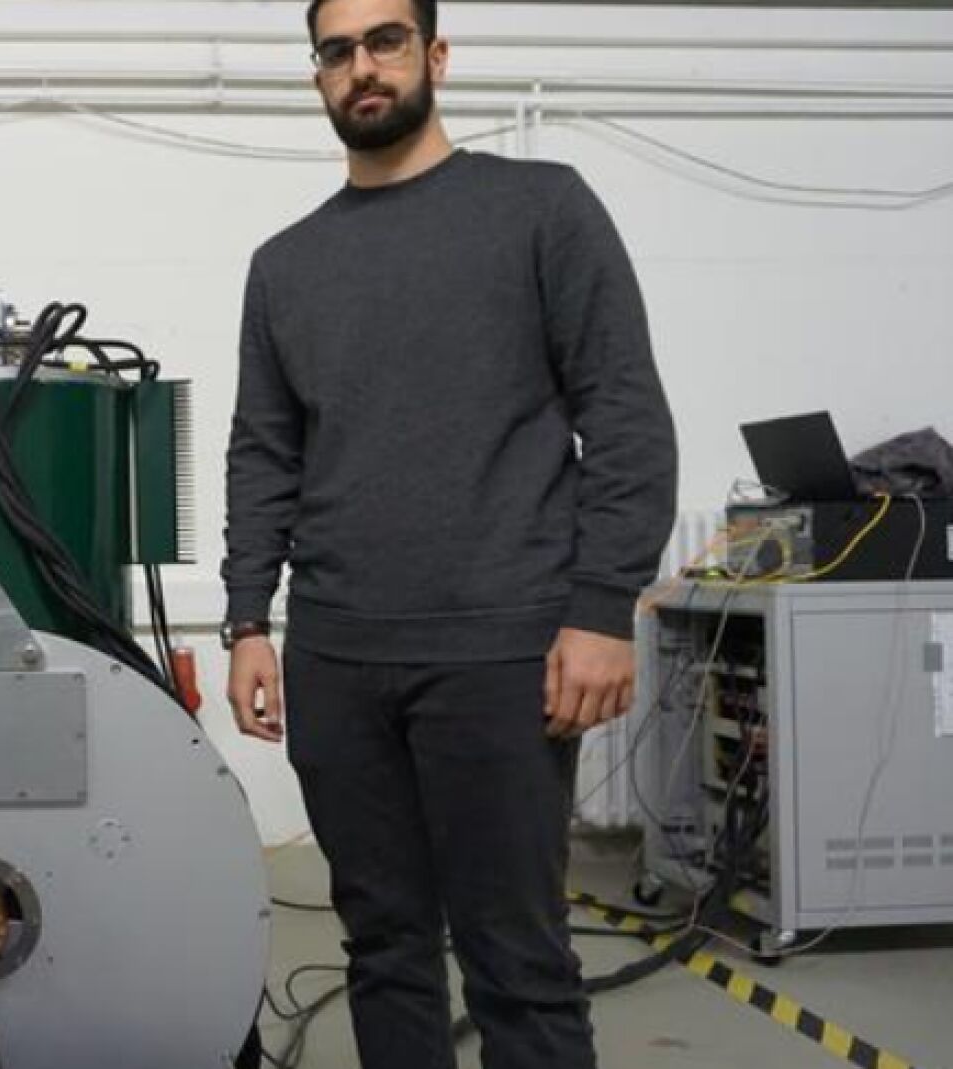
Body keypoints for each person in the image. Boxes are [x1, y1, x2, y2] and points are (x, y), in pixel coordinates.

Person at [220, 0, 677, 1066]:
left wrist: (601, 608)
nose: (362, 67)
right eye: (337, 51)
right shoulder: (285, 265)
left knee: (516, 961)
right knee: (382, 948)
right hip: (337, 656)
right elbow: (264, 453)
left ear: (434, 54)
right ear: (317, 75)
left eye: (385, 41)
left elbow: (624, 415)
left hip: (500, 650)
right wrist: (247, 619)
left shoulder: (541, 210)